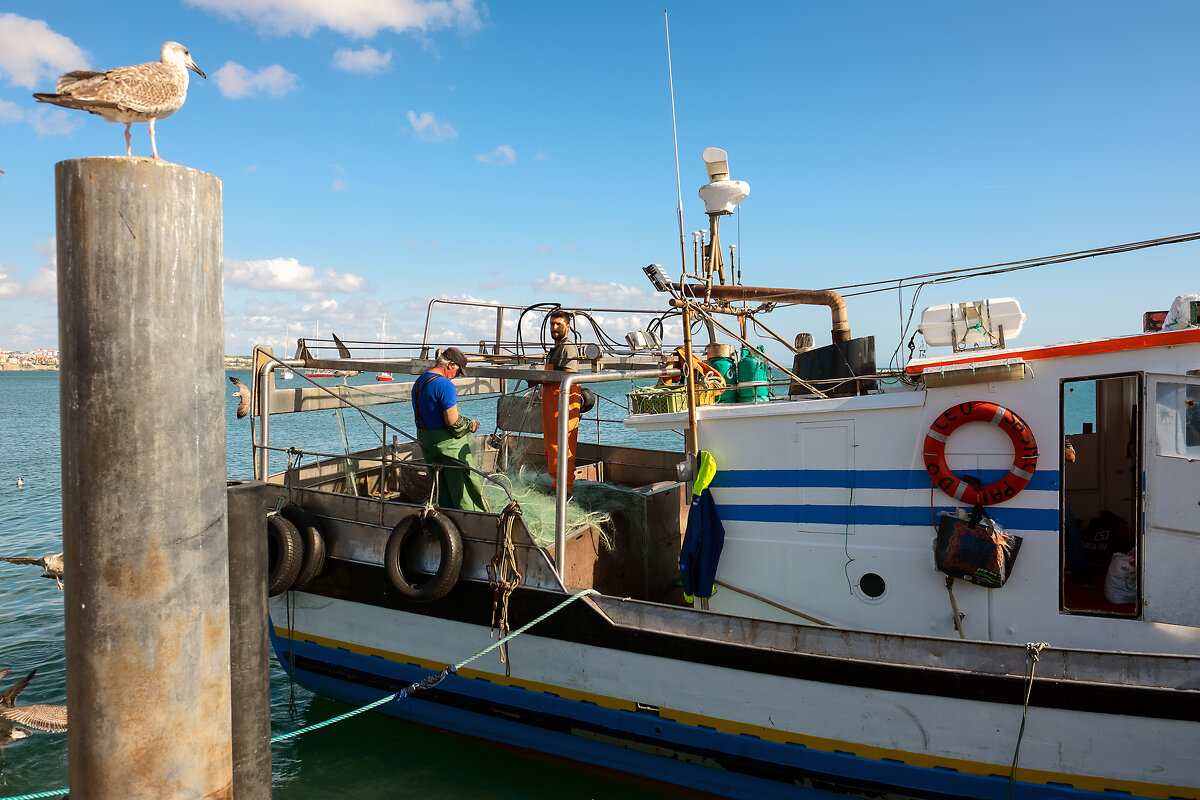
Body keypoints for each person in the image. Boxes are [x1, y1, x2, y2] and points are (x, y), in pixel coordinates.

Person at [411, 347, 486, 512]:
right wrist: (471, 424)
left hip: (427, 443)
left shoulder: (420, 381)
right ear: (451, 365)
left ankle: (446, 522)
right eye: (459, 371)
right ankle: (473, 523)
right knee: (463, 489)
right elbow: (452, 422)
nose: (458, 376)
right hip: (447, 446)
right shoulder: (445, 385)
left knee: (442, 488)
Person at [541, 310, 581, 496]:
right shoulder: (556, 349)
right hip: (552, 405)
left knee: (562, 446)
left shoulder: (568, 348)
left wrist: (541, 379)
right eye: (552, 324)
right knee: (552, 446)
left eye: (558, 324)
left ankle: (565, 489)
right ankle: (558, 485)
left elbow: (567, 376)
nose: (554, 328)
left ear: (568, 326)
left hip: (562, 405)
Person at [1062, 437, 1090, 588]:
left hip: (1054, 489)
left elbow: (1071, 458)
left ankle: (1080, 570)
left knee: (1070, 529)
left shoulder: (1060, 434)